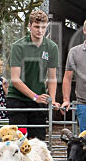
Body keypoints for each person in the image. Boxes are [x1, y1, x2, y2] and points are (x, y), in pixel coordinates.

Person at [5, 9, 59, 141]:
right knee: (19, 140)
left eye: (43, 27)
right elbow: (15, 79)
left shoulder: (52, 47)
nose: (39, 30)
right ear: (29, 26)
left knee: (38, 141)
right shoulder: (18, 46)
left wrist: (52, 99)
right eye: (36, 27)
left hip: (39, 98)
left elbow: (52, 77)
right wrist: (34, 97)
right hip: (17, 98)